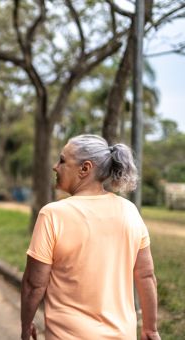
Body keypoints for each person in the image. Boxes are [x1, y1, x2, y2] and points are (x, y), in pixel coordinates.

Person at [21, 134, 160, 340]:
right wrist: (150, 328)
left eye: (62, 160)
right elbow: (146, 276)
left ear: (85, 168)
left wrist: (25, 326)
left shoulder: (53, 214)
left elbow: (34, 284)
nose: (55, 167)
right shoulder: (129, 211)